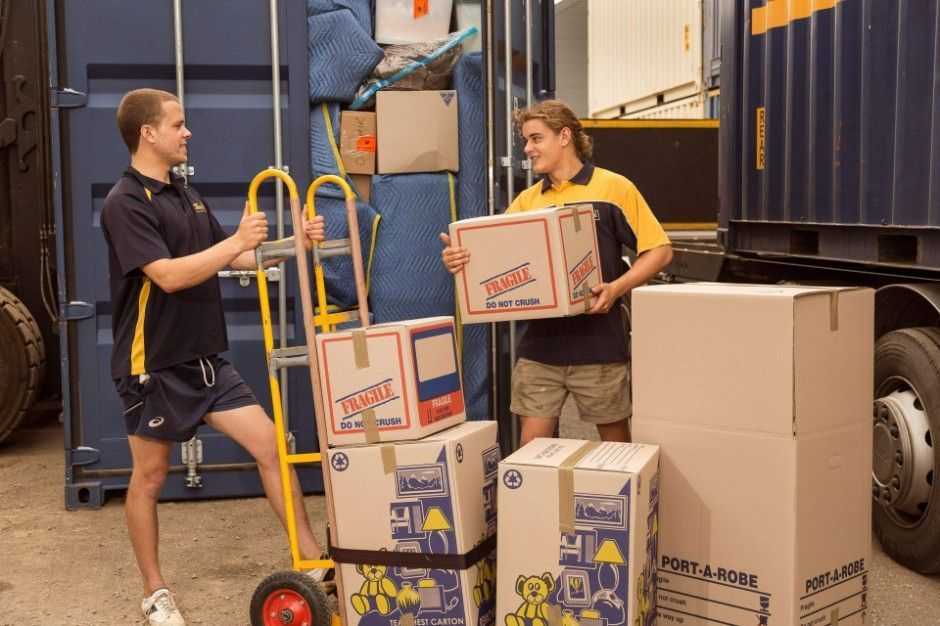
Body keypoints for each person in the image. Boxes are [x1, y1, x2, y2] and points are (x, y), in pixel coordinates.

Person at [100, 88, 329, 626]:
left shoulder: (186, 195)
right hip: (152, 364)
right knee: (150, 477)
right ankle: (155, 592)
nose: (187, 132)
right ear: (147, 133)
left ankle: (314, 561)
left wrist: (295, 243)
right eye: (177, 124)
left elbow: (237, 258)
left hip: (205, 360)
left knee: (271, 444)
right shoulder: (126, 201)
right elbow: (169, 275)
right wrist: (234, 246)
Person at [440, 99, 673, 447]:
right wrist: (460, 259)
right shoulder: (527, 202)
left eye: (536, 139)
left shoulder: (613, 188)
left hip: (600, 348)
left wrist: (617, 288)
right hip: (540, 350)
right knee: (530, 452)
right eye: (526, 141)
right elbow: (495, 261)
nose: (528, 149)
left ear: (565, 136)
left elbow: (659, 249)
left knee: (617, 452)